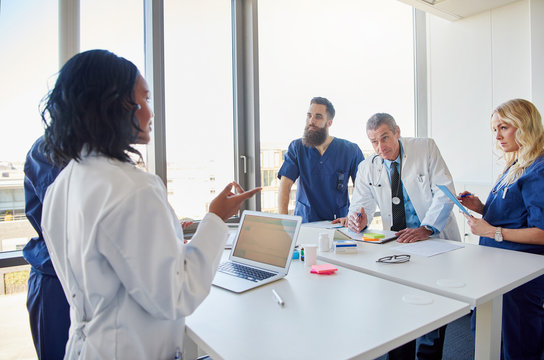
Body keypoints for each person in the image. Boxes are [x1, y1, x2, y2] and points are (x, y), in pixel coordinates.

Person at [39, 49, 261, 359]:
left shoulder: (62, 186)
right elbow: (176, 295)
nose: (149, 111)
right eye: (143, 99)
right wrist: (216, 217)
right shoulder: (133, 188)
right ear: (112, 105)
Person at [342, 112, 460, 360]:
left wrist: (427, 227)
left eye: (385, 137)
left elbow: (444, 190)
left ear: (397, 131)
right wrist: (358, 218)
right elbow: (360, 205)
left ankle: (429, 354)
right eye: (374, 141)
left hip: (433, 241)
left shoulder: (425, 147)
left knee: (433, 307)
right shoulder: (368, 166)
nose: (380, 146)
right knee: (397, 308)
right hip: (399, 246)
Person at [459, 98, 544, 360]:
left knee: (516, 342)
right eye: (494, 130)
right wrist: (481, 207)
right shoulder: (515, 165)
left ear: (524, 125)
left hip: (521, 272)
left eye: (504, 128)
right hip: (498, 267)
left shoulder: (540, 169)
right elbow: (512, 215)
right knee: (489, 338)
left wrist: (491, 232)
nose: (497, 136)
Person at [277, 97, 364, 223]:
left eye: (318, 116)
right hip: (306, 221)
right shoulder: (297, 148)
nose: (311, 121)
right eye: (309, 116)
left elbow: (362, 188)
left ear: (329, 122)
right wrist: (284, 222)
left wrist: (353, 216)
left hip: (340, 222)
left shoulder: (351, 150)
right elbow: (285, 185)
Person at [23, 136, 70, 359]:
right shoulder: (50, 148)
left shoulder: (101, 154)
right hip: (55, 282)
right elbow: (67, 216)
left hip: (84, 279)